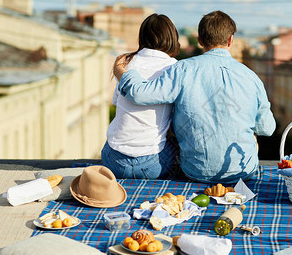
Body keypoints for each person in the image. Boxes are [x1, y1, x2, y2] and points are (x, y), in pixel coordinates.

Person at [114, 11, 276, 183]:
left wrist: (121, 71)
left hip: (194, 172)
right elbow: (268, 128)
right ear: (230, 40)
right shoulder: (251, 77)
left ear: (199, 40)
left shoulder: (182, 69)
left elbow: (140, 94)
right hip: (242, 174)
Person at [101, 13, 180, 179]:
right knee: (176, 144)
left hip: (113, 162)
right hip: (150, 165)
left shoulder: (127, 64)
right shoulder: (174, 68)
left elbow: (117, 103)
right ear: (172, 38)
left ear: (142, 37)